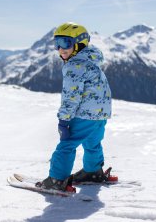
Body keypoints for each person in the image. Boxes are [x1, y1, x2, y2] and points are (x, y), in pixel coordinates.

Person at [37, 22, 112, 191]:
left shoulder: (74, 66)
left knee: (67, 144)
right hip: (100, 114)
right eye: (57, 43)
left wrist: (64, 120)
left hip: (84, 114)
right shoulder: (91, 59)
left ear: (79, 43)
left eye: (65, 43)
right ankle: (92, 172)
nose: (60, 49)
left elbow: (71, 97)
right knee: (92, 142)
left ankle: (57, 179)